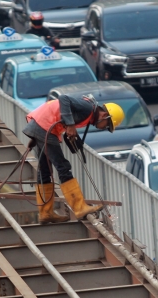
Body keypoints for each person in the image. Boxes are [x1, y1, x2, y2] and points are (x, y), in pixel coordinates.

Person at [23, 94, 124, 224]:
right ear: (104, 115)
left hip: (40, 126)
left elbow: (58, 113)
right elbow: (64, 98)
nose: (103, 128)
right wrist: (70, 125)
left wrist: (35, 136)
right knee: (63, 166)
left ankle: (45, 213)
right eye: (106, 125)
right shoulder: (87, 108)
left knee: (44, 170)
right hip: (44, 127)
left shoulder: (88, 112)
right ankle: (79, 207)